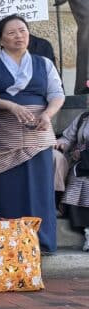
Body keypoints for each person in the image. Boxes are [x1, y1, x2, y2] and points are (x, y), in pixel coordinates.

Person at [0, 15, 64, 253]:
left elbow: (57, 93)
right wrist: (10, 106)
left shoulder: (43, 63)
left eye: (23, 31)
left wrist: (47, 115)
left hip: (38, 132)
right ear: (0, 39)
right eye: (12, 32)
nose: (19, 36)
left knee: (40, 188)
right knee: (6, 187)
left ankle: (41, 243)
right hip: (2, 133)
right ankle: (9, 244)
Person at [56, 106, 89, 252]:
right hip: (83, 166)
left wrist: (83, 154)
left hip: (84, 159)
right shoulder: (83, 118)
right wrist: (62, 144)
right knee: (80, 183)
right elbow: (68, 137)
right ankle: (88, 232)